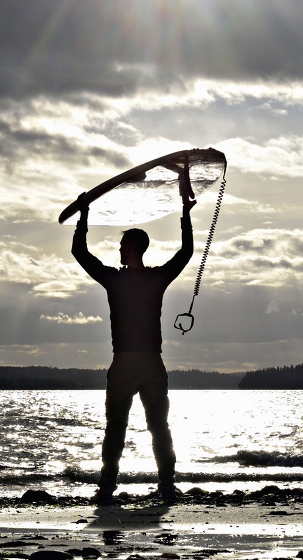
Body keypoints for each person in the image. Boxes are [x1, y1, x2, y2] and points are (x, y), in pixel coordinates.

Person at [72, 171, 195, 505]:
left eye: (122, 244)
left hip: (129, 362)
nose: (118, 247)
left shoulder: (116, 279)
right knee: (157, 427)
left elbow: (79, 253)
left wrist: (85, 214)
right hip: (149, 363)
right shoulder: (154, 279)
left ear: (132, 248)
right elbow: (186, 252)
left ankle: (109, 488)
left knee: (121, 428)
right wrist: (185, 212)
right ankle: (164, 486)